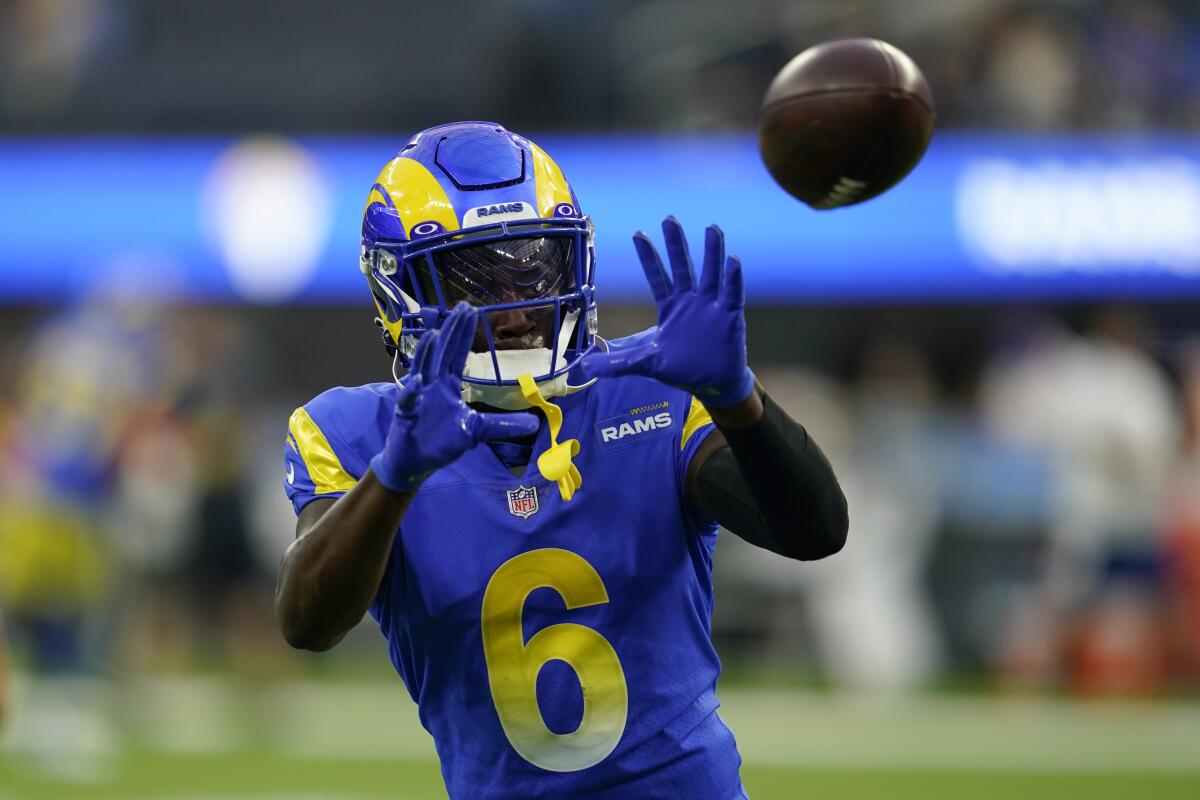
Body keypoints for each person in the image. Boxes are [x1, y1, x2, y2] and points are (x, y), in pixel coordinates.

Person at [275, 122, 847, 799]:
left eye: (536, 268)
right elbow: (306, 621)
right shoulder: (355, 432)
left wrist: (738, 398)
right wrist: (394, 478)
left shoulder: (651, 393)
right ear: (402, 293)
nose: (518, 311)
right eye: (477, 282)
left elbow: (814, 531)